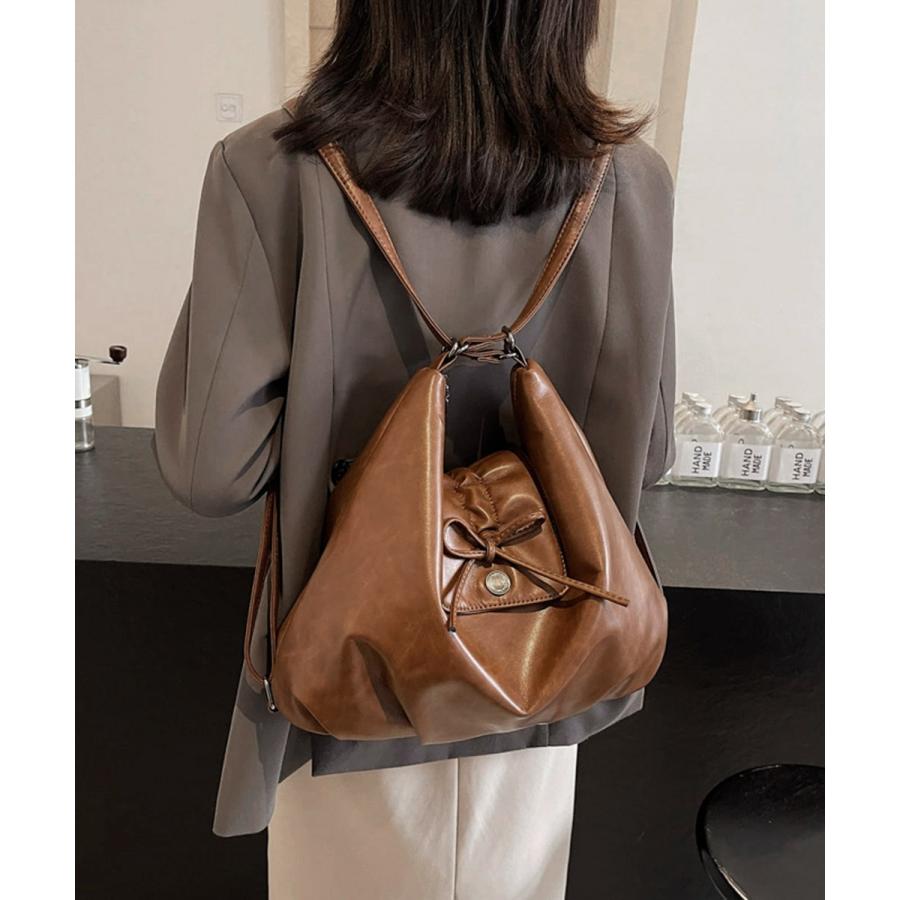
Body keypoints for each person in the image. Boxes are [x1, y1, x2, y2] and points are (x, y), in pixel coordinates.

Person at [154, 1, 675, 897]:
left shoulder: (269, 168)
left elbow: (212, 469)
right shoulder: (631, 178)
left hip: (356, 669)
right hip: (546, 663)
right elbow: (649, 449)